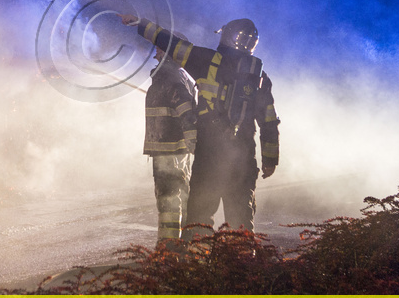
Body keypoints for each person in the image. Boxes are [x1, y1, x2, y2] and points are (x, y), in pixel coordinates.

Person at [120, 15, 279, 235]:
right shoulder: (259, 76)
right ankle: (241, 257)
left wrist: (139, 23)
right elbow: (269, 121)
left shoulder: (206, 60)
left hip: (209, 156)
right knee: (240, 223)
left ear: (226, 36)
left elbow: (171, 43)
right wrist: (270, 160)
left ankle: (198, 256)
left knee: (199, 220)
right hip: (243, 158)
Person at [144, 42, 197, 243]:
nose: (156, 52)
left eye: (160, 48)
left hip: (169, 152)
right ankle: (183, 242)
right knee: (178, 197)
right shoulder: (175, 77)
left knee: (169, 201)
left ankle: (169, 247)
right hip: (173, 151)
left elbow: (186, 112)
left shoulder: (170, 77)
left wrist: (192, 143)